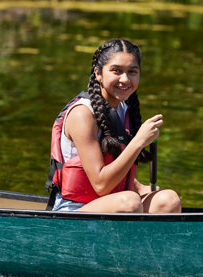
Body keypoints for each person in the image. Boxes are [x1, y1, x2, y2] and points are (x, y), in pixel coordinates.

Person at [50, 39, 181, 213]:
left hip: (112, 202)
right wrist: (139, 141)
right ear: (98, 73)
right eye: (116, 71)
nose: (125, 79)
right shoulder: (82, 114)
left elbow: (112, 161)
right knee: (130, 202)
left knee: (168, 200)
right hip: (73, 209)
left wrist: (140, 188)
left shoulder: (122, 109)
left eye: (132, 72)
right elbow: (100, 184)